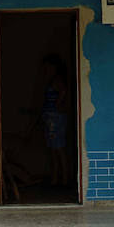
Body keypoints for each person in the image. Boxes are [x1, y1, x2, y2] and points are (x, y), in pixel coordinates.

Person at [40, 54, 69, 186]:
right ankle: (56, 179)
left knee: (58, 148)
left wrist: (57, 105)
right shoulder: (50, 79)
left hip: (55, 118)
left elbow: (63, 91)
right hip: (50, 117)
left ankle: (63, 179)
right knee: (52, 148)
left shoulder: (56, 80)